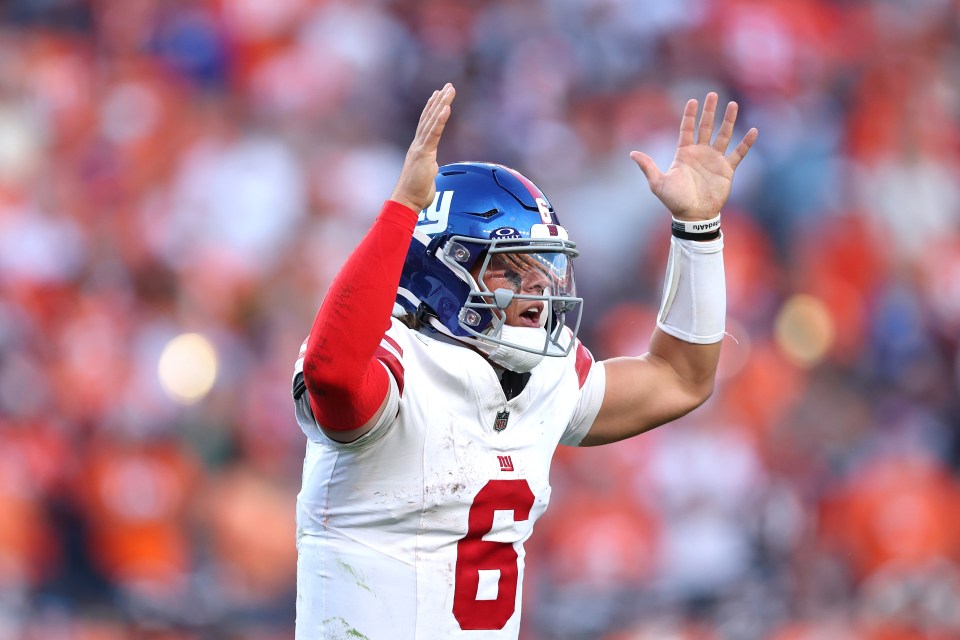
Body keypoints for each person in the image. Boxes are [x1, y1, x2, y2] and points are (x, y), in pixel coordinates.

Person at [291, 83, 757, 639]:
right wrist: (400, 214)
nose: (538, 288)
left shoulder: (547, 375)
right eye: (509, 268)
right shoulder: (396, 360)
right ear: (442, 270)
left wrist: (697, 230)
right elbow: (333, 373)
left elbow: (682, 378)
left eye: (543, 268)